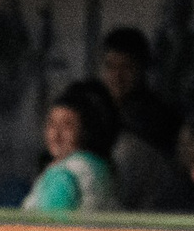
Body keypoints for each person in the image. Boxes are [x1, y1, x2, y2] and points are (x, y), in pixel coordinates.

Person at [97, 26, 187, 210]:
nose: (117, 76)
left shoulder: (155, 117)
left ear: (142, 69)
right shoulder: (100, 109)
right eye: (110, 66)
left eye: (126, 67)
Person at [23, 79, 121, 214]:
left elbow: (50, 229)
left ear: (85, 131)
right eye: (51, 124)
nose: (56, 135)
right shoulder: (100, 166)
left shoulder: (65, 173)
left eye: (67, 126)